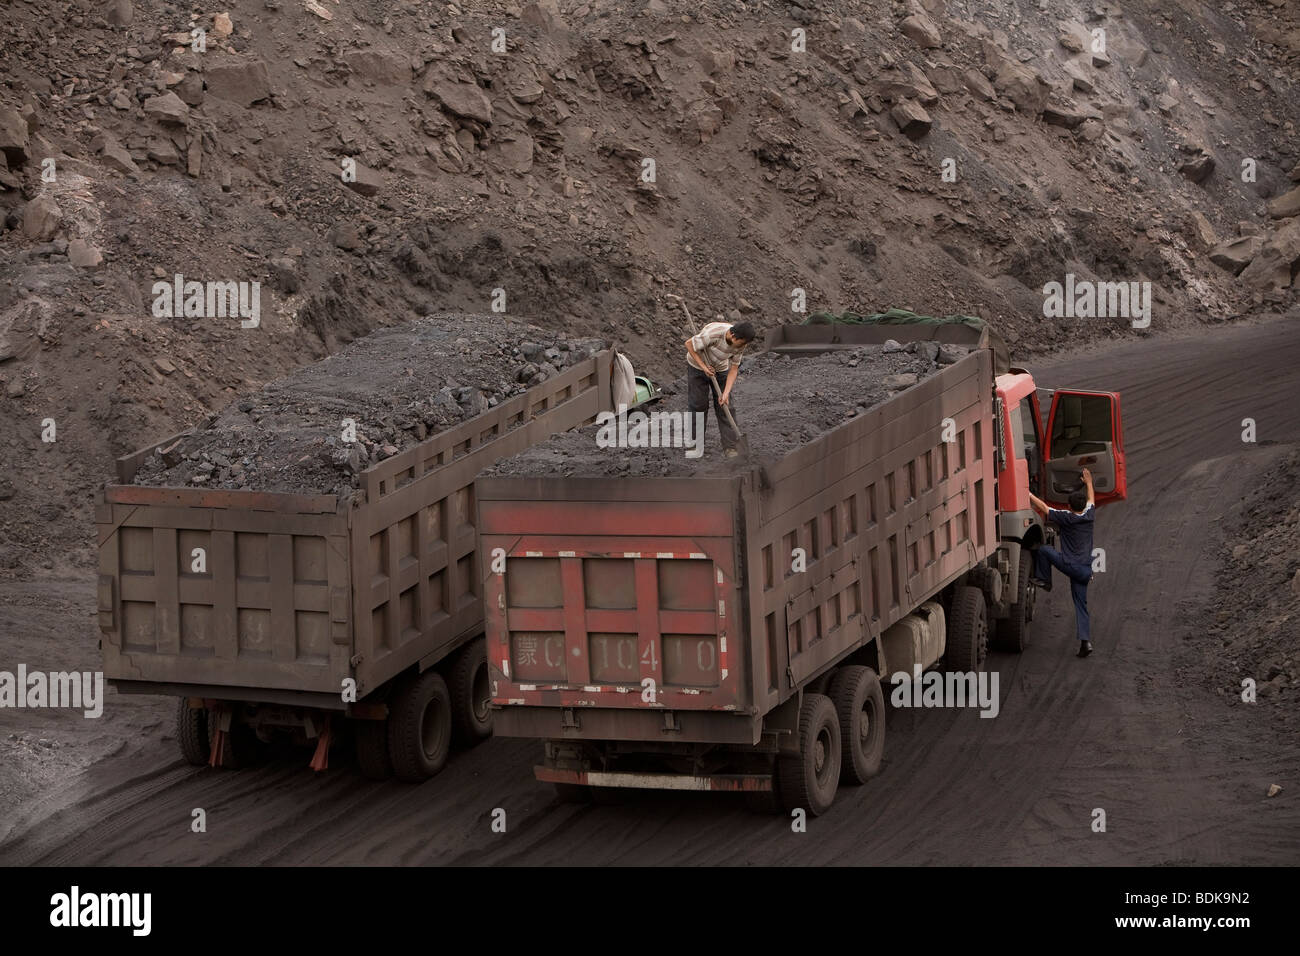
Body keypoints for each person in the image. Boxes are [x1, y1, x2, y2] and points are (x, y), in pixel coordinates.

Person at [1028, 468, 1096, 658]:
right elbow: (1092, 499)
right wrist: (1089, 482)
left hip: (1069, 565)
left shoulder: (1066, 518)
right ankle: (1086, 642)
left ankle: (1044, 580)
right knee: (1081, 604)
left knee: (1044, 550)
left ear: (1069, 506)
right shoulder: (1089, 515)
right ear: (1083, 506)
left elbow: (1044, 508)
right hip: (1085, 570)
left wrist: (1028, 494)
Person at [684, 320, 755, 458]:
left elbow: (734, 368)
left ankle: (730, 447)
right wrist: (704, 367)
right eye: (742, 343)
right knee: (698, 405)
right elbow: (689, 344)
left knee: (726, 407)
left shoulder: (741, 342)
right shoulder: (714, 334)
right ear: (734, 337)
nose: (743, 347)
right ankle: (695, 446)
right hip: (697, 367)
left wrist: (726, 393)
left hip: (720, 368)